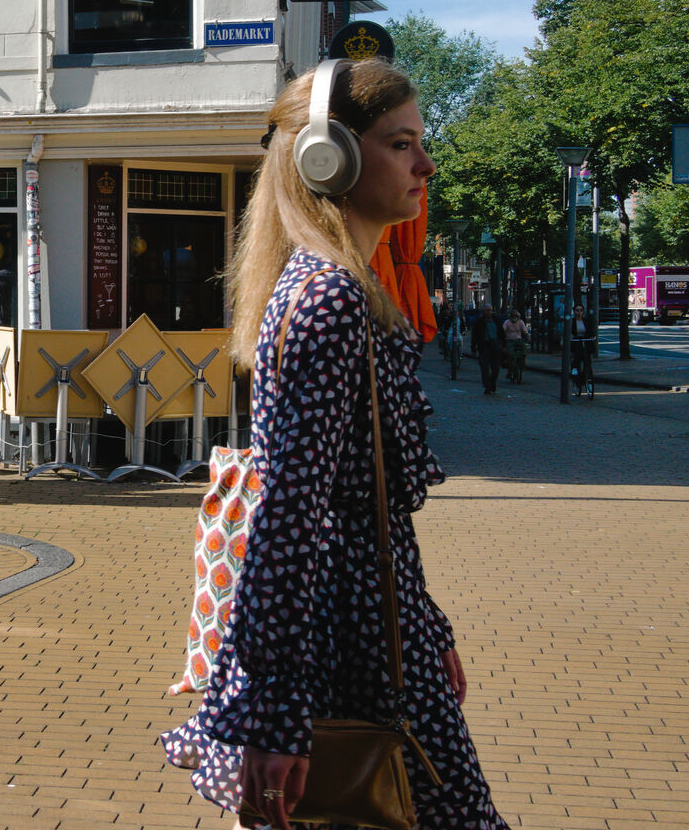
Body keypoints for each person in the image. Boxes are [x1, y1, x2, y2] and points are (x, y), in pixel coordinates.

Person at [161, 59, 507, 830]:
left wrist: (427, 620)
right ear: (332, 158)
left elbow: (359, 503)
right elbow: (291, 513)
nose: (426, 164)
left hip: (375, 628)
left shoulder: (336, 287)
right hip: (353, 651)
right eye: (401, 144)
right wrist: (276, 715)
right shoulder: (332, 299)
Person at [471, 303, 504, 394]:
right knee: (484, 367)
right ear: (483, 311)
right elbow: (475, 335)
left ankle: (493, 382)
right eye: (487, 310)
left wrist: (503, 345)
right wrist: (473, 347)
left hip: (495, 346)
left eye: (490, 310)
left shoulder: (496, 321)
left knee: (495, 368)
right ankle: (487, 385)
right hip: (484, 346)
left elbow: (501, 333)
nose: (489, 312)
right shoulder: (479, 322)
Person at [502, 308, 529, 380]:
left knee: (524, 352)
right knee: (510, 354)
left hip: (518, 341)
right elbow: (503, 330)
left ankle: (522, 365)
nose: (514, 318)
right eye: (513, 316)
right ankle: (509, 370)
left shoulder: (520, 322)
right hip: (509, 341)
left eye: (516, 316)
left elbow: (525, 331)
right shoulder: (507, 322)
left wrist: (528, 337)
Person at [570, 303, 595, 377]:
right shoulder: (572, 321)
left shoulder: (586, 321)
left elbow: (591, 331)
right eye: (577, 310)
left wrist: (592, 337)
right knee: (577, 355)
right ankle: (575, 368)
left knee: (587, 357)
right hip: (576, 340)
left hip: (585, 340)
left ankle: (587, 373)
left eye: (581, 310)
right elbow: (569, 332)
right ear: (574, 311)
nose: (579, 312)